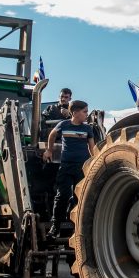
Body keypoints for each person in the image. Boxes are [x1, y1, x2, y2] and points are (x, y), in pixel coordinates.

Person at [43, 99, 96, 238]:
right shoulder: (64, 125)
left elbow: (92, 148)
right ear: (75, 113)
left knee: (80, 197)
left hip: (82, 168)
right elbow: (52, 135)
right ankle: (55, 227)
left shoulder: (87, 129)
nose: (86, 114)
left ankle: (77, 228)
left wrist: (95, 161)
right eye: (84, 112)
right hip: (66, 166)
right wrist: (49, 150)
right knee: (62, 195)